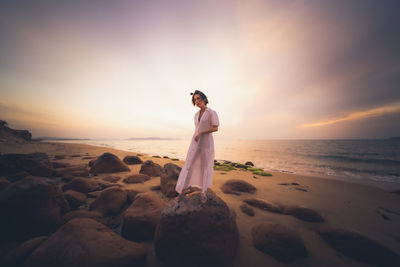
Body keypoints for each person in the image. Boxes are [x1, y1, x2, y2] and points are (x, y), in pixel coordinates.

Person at [175, 90, 219, 203]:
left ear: (204, 98)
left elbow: (215, 128)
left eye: (198, 98)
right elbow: (197, 129)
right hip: (195, 143)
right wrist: (197, 134)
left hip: (206, 143)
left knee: (205, 166)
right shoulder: (196, 115)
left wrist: (201, 133)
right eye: (195, 100)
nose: (197, 101)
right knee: (189, 164)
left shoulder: (211, 112)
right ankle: (183, 190)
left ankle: (203, 192)